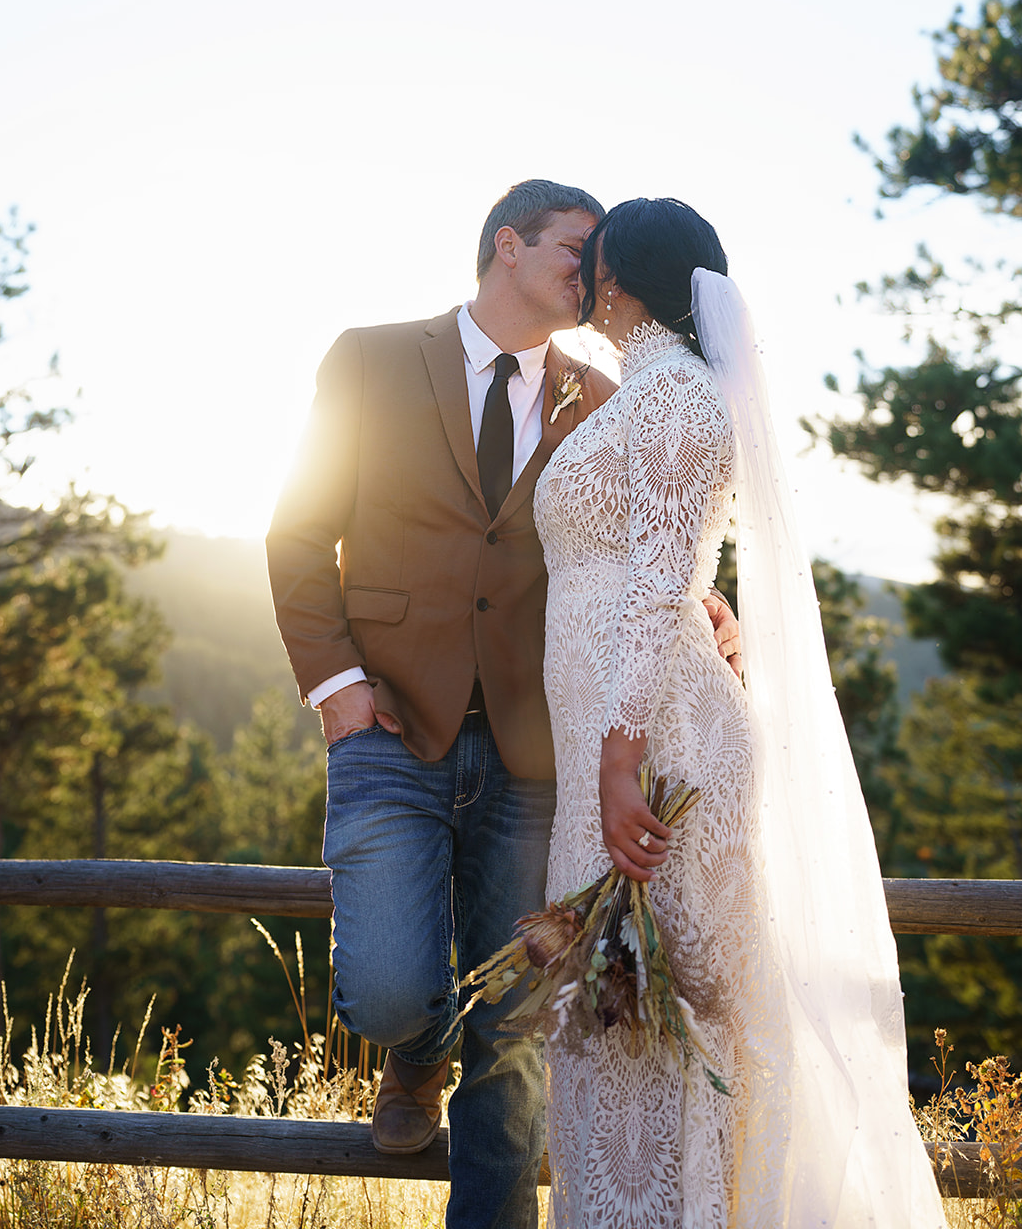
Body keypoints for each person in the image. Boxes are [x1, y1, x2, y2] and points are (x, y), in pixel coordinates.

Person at [266, 180, 741, 1229]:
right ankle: (412, 1051)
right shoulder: (369, 356)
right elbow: (296, 530)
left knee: (519, 1031)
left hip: (537, 752)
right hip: (388, 726)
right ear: (506, 245)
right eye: (577, 250)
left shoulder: (604, 392)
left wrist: (704, 606)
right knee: (393, 989)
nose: (593, 270)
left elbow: (637, 534)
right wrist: (339, 690)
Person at [534, 196, 946, 1228]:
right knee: (615, 1011)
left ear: (619, 279)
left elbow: (659, 585)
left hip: (659, 740)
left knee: (680, 1010)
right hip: (612, 732)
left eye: (593, 262)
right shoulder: (639, 393)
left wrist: (619, 757)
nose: (581, 277)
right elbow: (659, 558)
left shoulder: (675, 396)